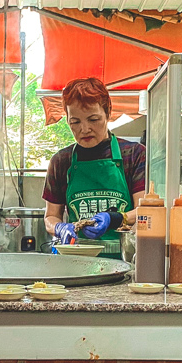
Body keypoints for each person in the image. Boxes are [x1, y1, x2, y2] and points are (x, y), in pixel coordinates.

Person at [43, 78, 146, 258]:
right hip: (76, 263)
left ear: (108, 113)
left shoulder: (134, 154)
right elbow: (50, 217)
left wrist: (116, 218)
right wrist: (59, 227)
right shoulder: (61, 161)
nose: (84, 129)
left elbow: (145, 211)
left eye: (93, 119)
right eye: (75, 122)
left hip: (123, 261)